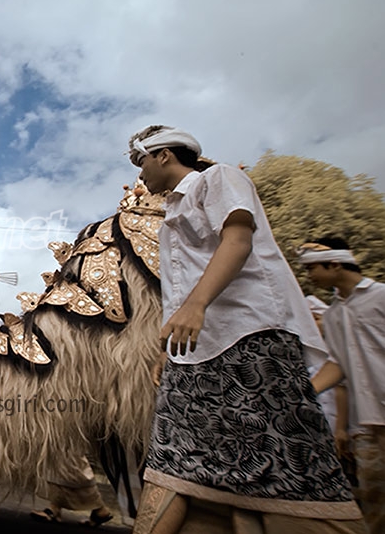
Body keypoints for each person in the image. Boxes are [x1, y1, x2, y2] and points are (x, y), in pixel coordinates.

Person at [127, 125, 364, 533]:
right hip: (193, 353)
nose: (139, 172)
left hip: (251, 340)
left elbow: (237, 241)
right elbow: (183, 285)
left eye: (141, 161)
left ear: (164, 154)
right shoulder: (169, 219)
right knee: (174, 460)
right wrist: (170, 350)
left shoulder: (218, 179)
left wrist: (197, 305)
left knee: (287, 464)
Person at [302, 238, 385, 533]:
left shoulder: (381, 297)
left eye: (312, 268)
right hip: (367, 425)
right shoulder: (334, 314)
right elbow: (337, 365)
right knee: (373, 500)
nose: (309, 276)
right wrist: (301, 395)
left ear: (335, 264)